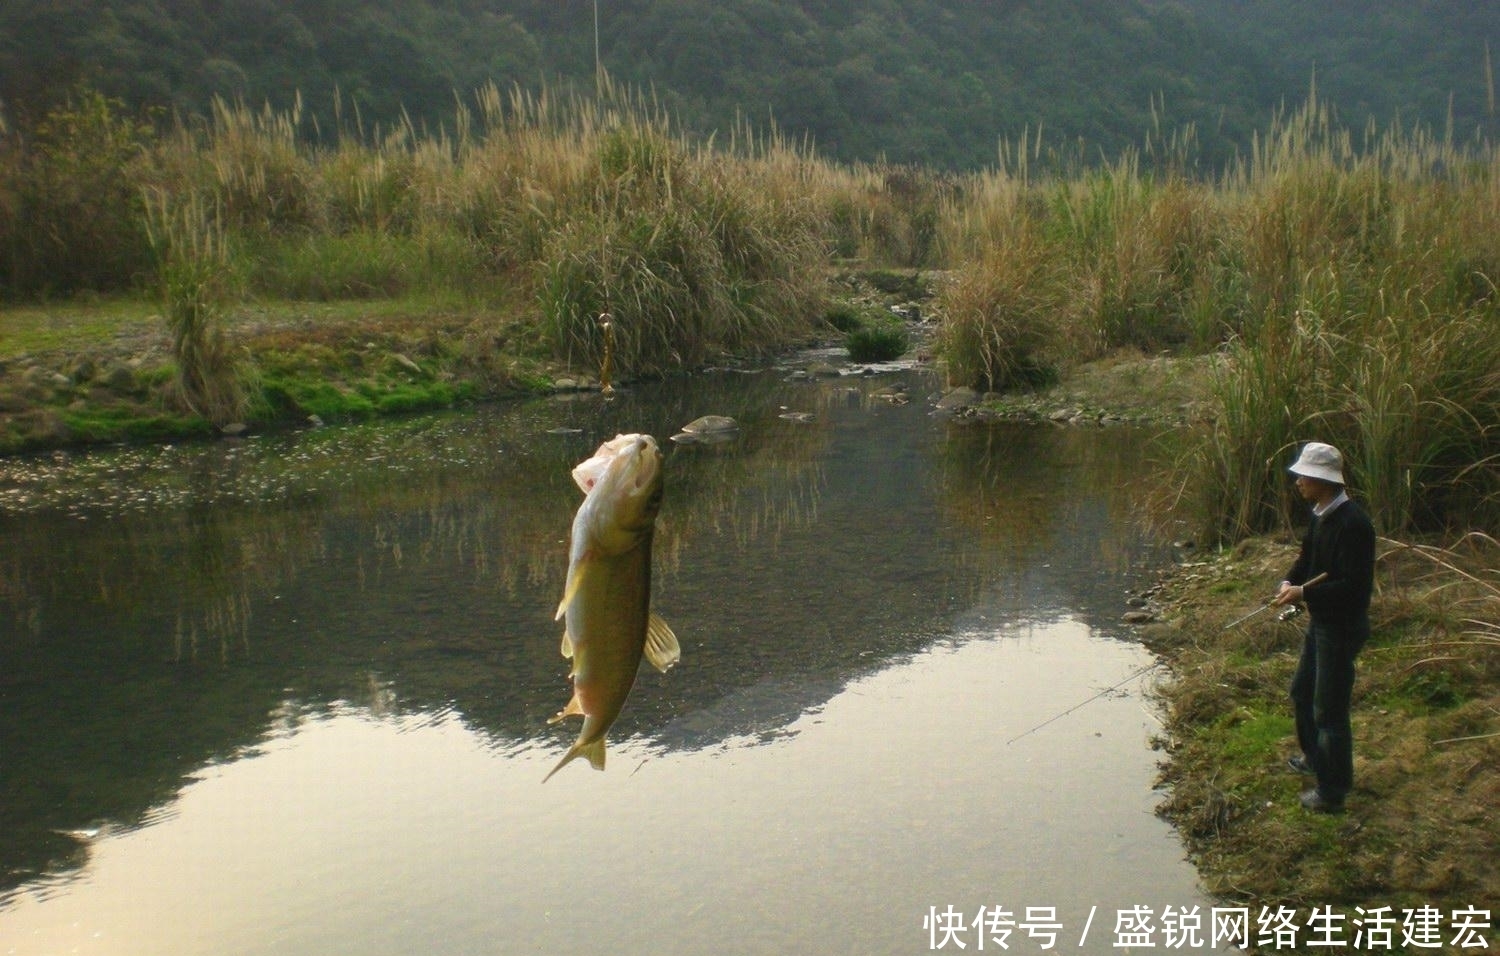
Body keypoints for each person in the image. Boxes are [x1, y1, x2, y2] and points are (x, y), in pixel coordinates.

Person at [1272, 441, 1376, 813]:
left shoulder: (1354, 525)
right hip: (1322, 623)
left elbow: (1353, 588)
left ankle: (1333, 792)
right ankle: (1315, 758)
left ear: (1323, 480)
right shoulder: (1320, 514)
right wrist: (1289, 584)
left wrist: (1304, 595)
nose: (1298, 481)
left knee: (1329, 710)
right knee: (1302, 692)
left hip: (1342, 627)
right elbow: (1306, 559)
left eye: (1304, 476)